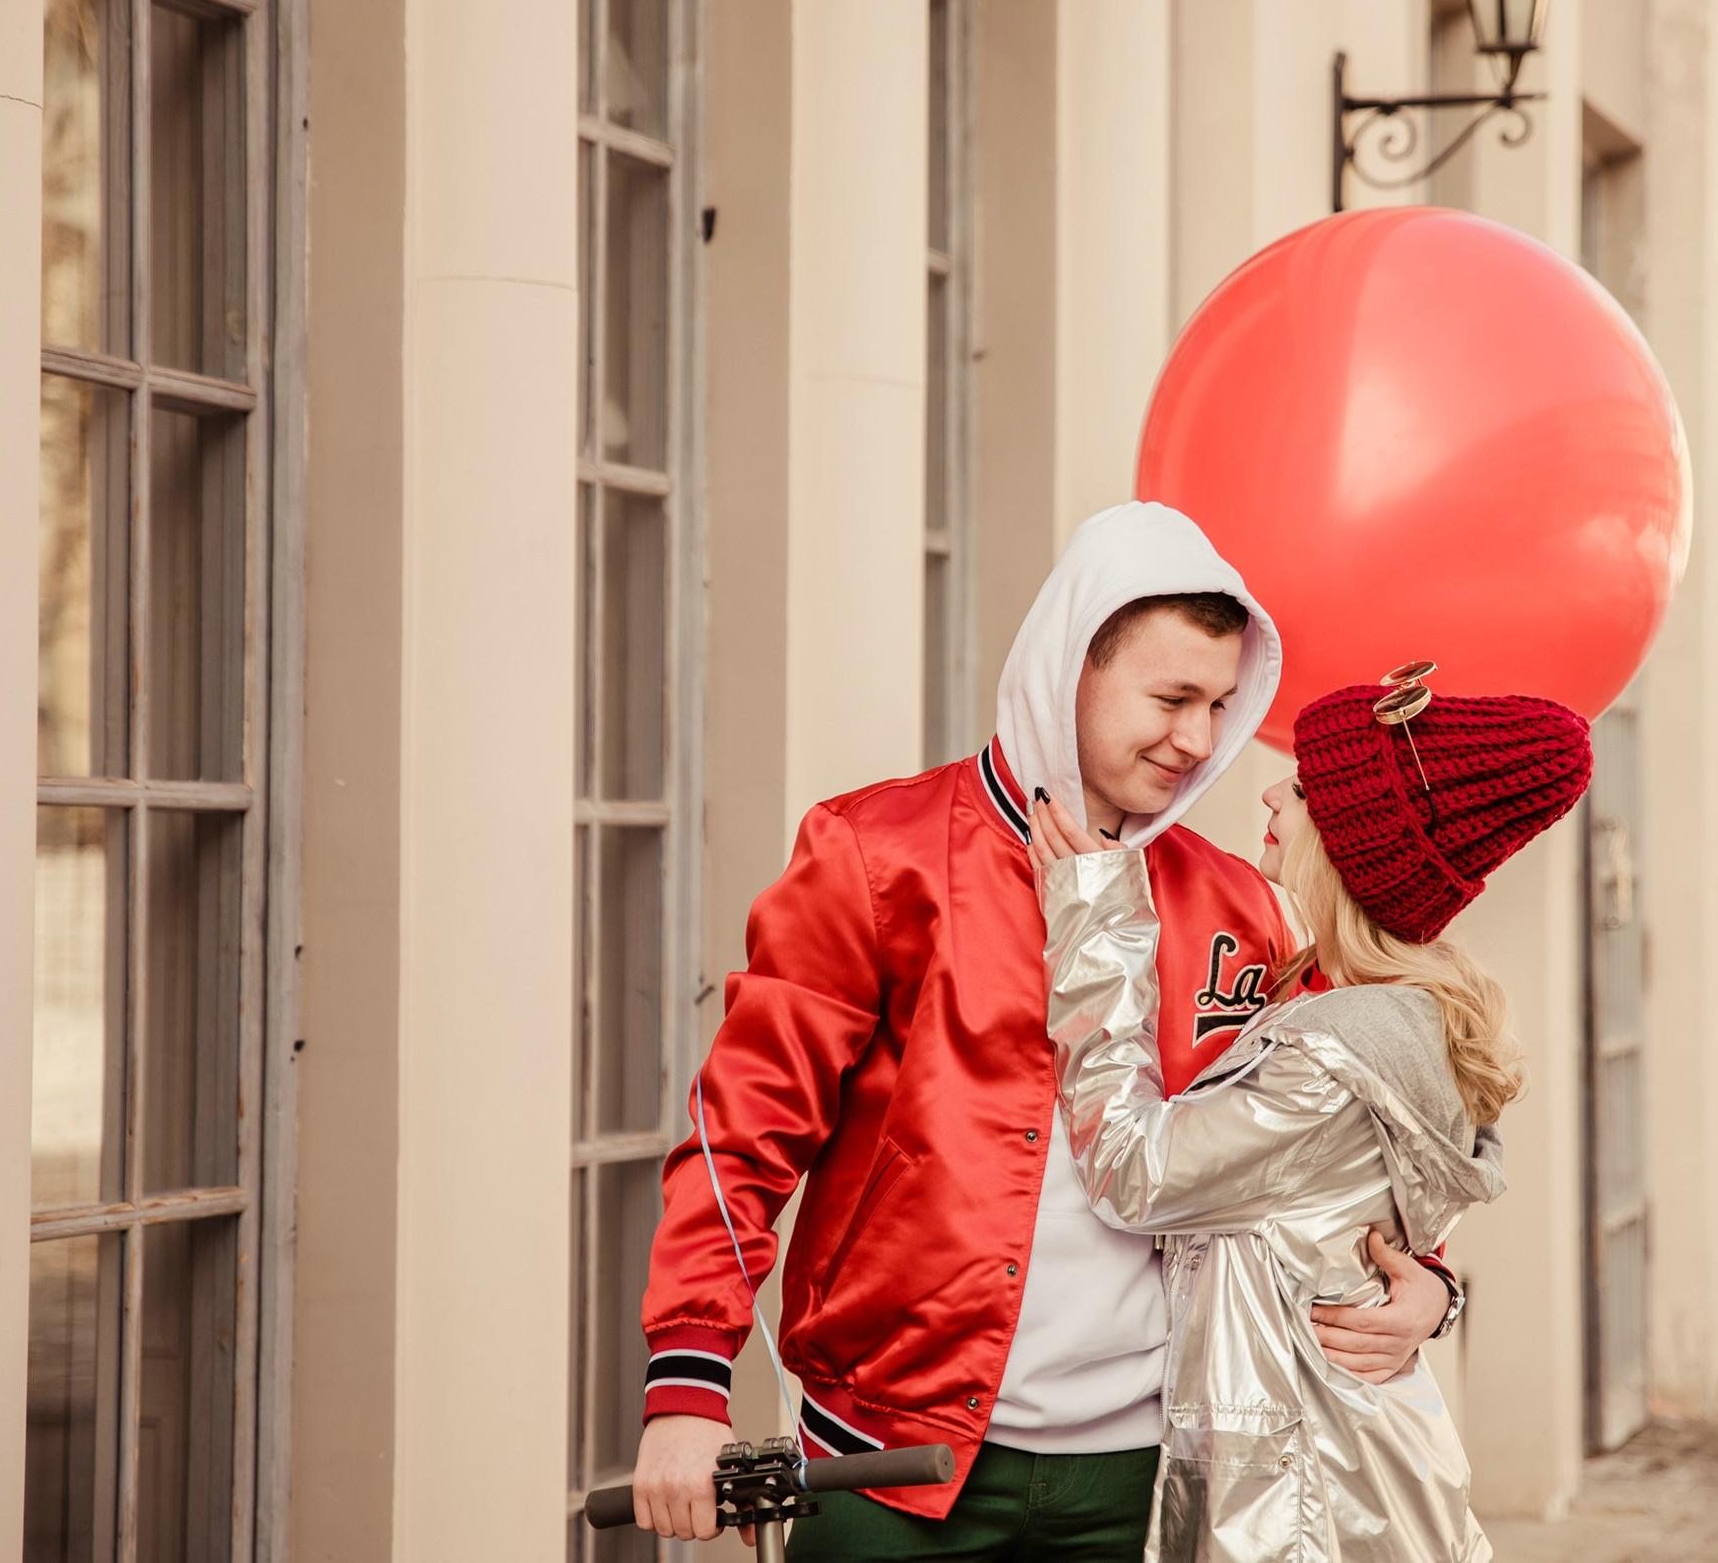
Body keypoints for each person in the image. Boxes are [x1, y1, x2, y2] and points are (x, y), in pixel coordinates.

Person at [631, 504, 1460, 1557]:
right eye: (1171, 698)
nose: (1199, 740)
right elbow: (742, 1131)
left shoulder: (1243, 902)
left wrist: (1430, 1281)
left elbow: (1357, 1123)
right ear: (1070, 668)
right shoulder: (873, 855)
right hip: (889, 1465)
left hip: (1158, 1478)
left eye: (1218, 704)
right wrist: (688, 1377)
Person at [1026, 681, 1593, 1563]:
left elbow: (1134, 1171)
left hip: (1305, 1508)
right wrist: (1437, 1291)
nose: (1268, 792)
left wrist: (1094, 925)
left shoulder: (1332, 1059)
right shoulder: (1388, 1020)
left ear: (1349, 847)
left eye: (1299, 787)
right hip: (1344, 1476)